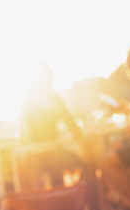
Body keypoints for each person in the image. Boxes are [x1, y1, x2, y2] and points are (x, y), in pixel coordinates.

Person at [16, 61, 87, 191]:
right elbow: (72, 126)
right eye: (50, 76)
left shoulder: (26, 99)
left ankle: (46, 201)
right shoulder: (53, 96)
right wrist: (80, 138)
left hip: (29, 156)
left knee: (56, 163)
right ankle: (77, 200)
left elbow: (23, 136)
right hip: (49, 153)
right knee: (86, 163)